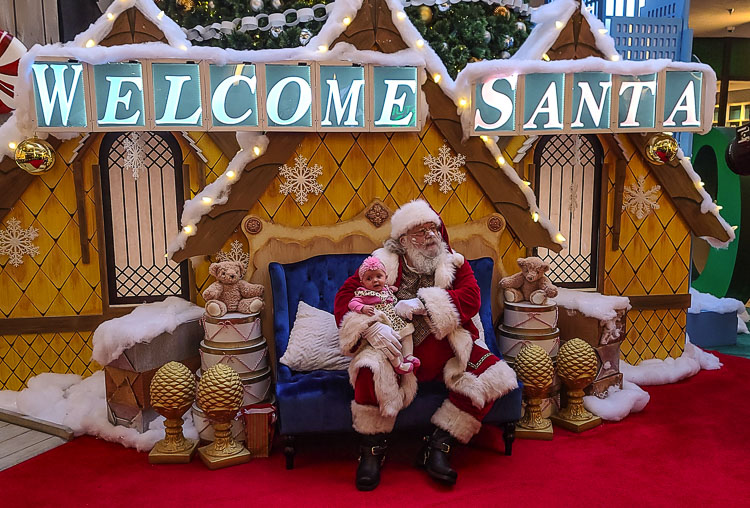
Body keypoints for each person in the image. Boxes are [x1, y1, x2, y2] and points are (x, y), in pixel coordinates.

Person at [334, 199, 518, 491]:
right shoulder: (380, 263)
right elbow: (345, 296)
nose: (430, 236)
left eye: (433, 228)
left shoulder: (455, 264)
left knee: (491, 375)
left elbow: (471, 298)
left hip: (444, 347)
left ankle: (438, 445)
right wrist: (370, 329)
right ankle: (371, 450)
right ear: (403, 240)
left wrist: (423, 304)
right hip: (395, 348)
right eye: (419, 232)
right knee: (369, 369)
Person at [348, 256, 420, 375]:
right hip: (382, 322)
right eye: (369, 279)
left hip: (395, 320)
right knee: (388, 344)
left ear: (386, 278)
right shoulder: (363, 293)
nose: (375, 281)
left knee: (407, 333)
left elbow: (391, 292)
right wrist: (363, 308)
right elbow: (352, 303)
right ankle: (398, 365)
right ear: (362, 282)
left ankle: (409, 356)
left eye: (379, 276)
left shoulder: (386, 289)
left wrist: (392, 289)